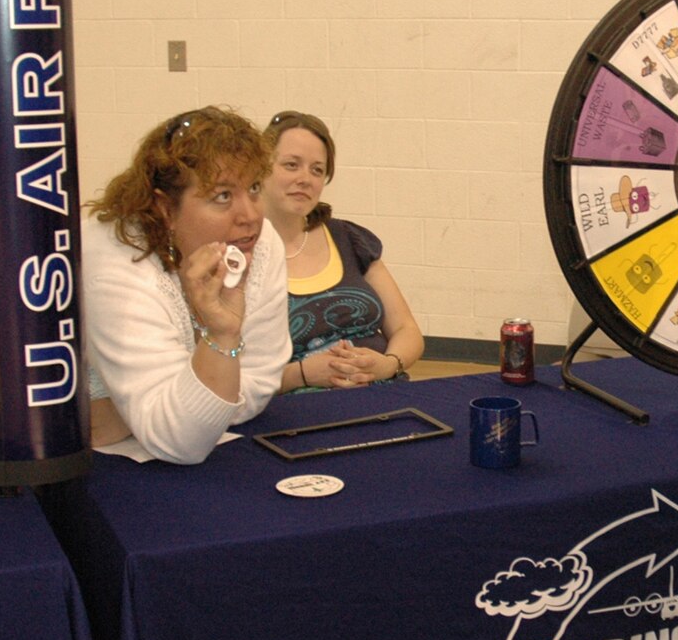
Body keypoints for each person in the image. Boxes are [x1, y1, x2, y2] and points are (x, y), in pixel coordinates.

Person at [81, 106, 290, 464]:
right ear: (165, 209)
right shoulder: (112, 259)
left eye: (254, 188)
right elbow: (179, 443)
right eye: (223, 195)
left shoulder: (261, 240)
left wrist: (136, 412)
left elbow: (261, 382)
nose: (251, 215)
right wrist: (223, 337)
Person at [261, 110, 424, 391]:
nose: (305, 178)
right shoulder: (237, 256)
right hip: (298, 411)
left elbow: (406, 330)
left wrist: (387, 364)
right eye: (291, 165)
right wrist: (301, 374)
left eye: (317, 170)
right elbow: (229, 384)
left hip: (383, 392)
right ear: (260, 168)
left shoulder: (348, 238)